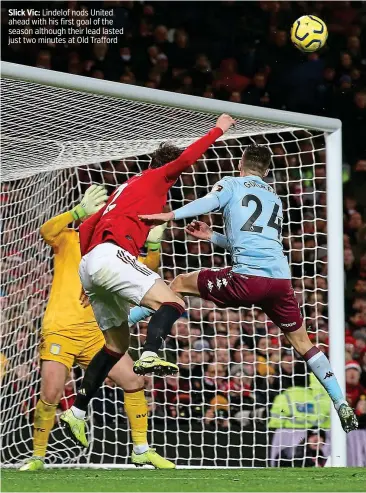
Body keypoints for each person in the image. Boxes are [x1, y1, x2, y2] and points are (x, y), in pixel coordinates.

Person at [139, 144, 358, 433]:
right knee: (304, 343)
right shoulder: (274, 199)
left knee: (179, 283)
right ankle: (340, 400)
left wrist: (170, 216)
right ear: (267, 171)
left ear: (240, 164)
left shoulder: (231, 184)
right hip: (280, 282)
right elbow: (253, 241)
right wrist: (211, 237)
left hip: (247, 279)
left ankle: (135, 324)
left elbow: (205, 203)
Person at [61, 114, 235, 446]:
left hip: (92, 262)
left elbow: (85, 227)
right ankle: (151, 352)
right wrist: (219, 129)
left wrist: (87, 278)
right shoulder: (157, 179)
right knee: (173, 301)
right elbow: (186, 158)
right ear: (168, 167)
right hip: (112, 257)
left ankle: (77, 410)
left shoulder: (126, 186)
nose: (184, 174)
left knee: (114, 346)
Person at [20, 186, 173, 471]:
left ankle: (141, 449)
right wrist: (76, 212)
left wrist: (153, 244)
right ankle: (37, 458)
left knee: (134, 381)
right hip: (61, 330)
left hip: (96, 336)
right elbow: (45, 231)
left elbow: (147, 268)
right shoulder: (69, 238)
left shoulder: (115, 253)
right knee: (51, 394)